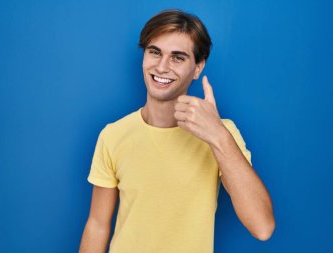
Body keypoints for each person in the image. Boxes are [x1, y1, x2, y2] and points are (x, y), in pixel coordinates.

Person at [79, 9, 275, 253]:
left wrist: (218, 136)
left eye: (178, 57)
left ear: (197, 67)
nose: (162, 67)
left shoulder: (222, 134)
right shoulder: (113, 135)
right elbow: (97, 225)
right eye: (155, 52)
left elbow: (262, 227)